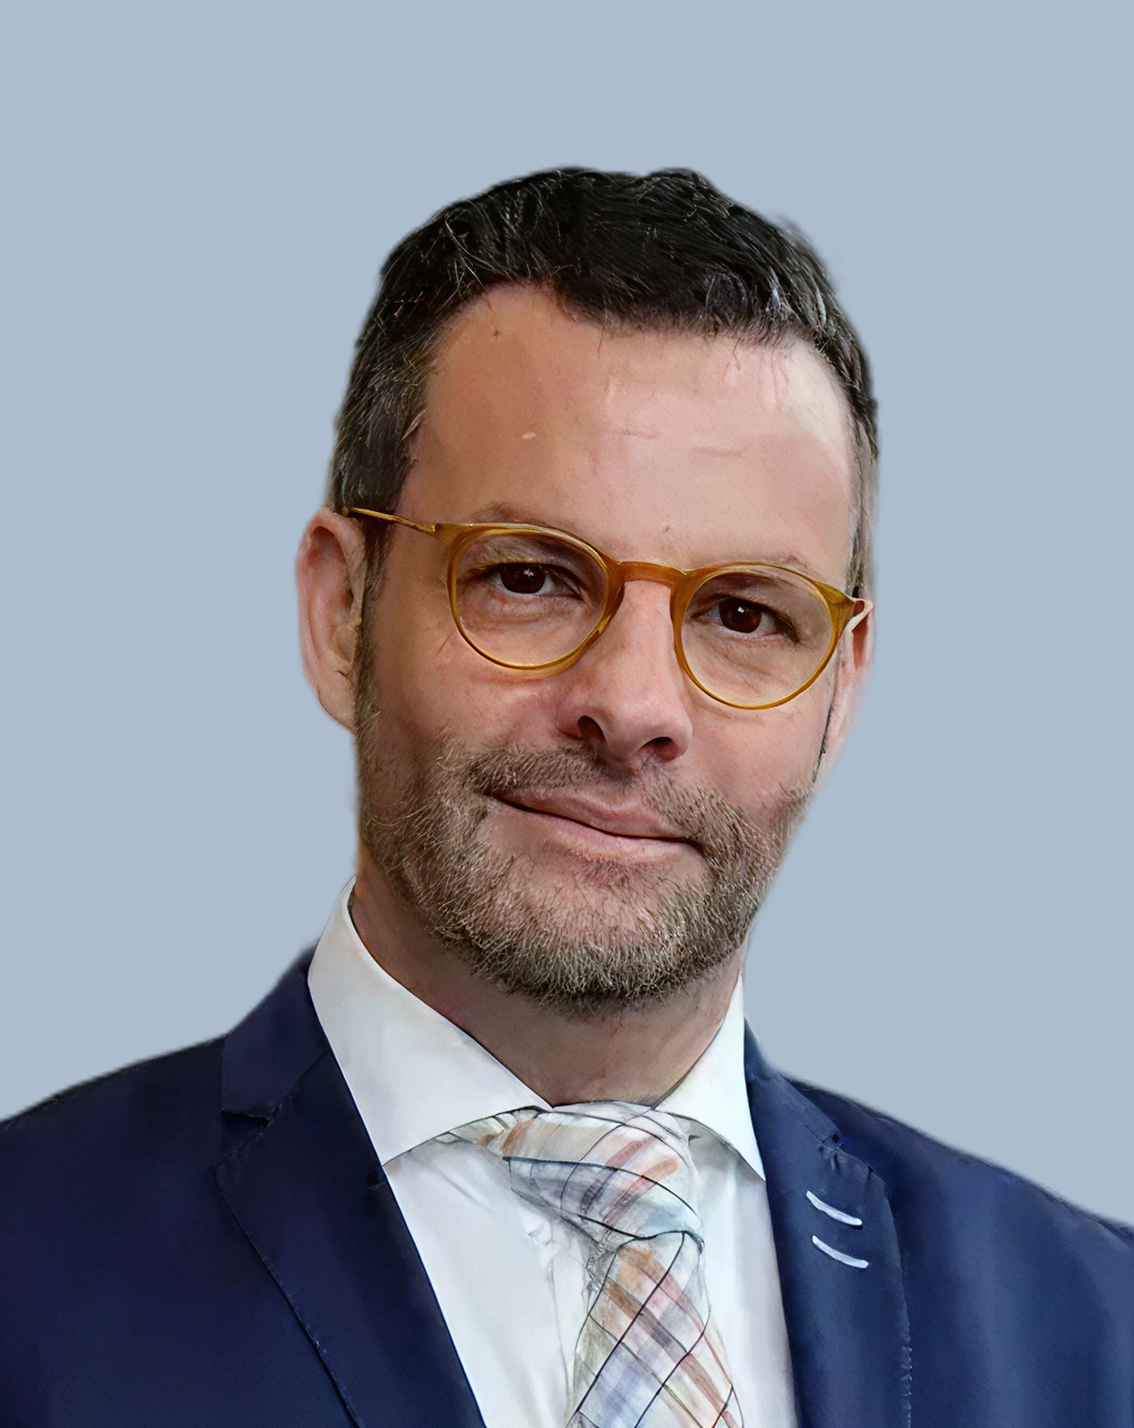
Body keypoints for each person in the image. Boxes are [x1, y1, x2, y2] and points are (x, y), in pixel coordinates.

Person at [0, 168, 1130, 1428]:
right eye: (530, 579)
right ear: (341, 612)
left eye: (743, 613)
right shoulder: (27, 1278)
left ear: (841, 687)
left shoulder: (1100, 1329)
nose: (633, 704)